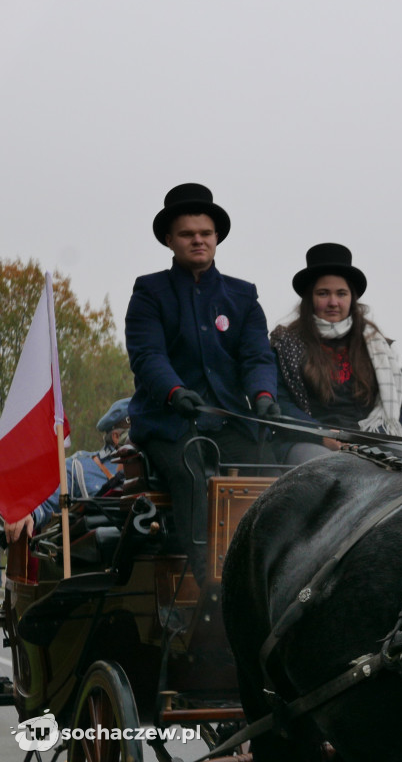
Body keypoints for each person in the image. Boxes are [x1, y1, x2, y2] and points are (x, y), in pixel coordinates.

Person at [125, 183, 280, 581]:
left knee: (267, 468)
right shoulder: (149, 292)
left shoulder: (243, 297)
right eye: (188, 234)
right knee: (193, 474)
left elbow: (257, 356)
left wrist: (263, 395)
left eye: (205, 233)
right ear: (169, 240)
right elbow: (147, 356)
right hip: (169, 423)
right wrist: (175, 392)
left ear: (216, 238)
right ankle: (212, 587)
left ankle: (271, 574)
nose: (198, 240)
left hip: (227, 418)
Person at [271, 243, 402, 464]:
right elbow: (281, 403)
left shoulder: (378, 345)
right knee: (328, 471)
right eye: (323, 293)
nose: (333, 302)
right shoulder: (285, 343)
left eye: (341, 293)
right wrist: (322, 433)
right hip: (310, 441)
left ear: (351, 299)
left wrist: (374, 436)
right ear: (310, 298)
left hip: (370, 440)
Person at [4, 398, 131, 544]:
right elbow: (47, 497)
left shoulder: (147, 465)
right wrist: (26, 511)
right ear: (116, 437)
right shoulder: (79, 466)